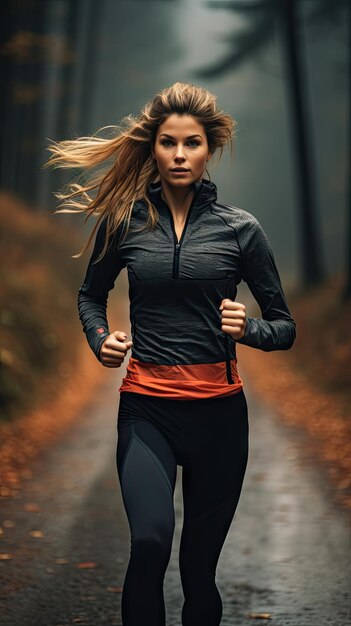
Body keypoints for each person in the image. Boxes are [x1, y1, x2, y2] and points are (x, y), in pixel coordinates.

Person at [46, 82, 296, 626]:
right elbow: (90, 295)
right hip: (146, 409)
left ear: (210, 149)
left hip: (219, 416)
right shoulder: (125, 220)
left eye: (192, 143)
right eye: (167, 143)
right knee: (151, 543)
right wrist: (99, 339)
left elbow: (285, 327)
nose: (179, 154)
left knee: (198, 571)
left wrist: (250, 327)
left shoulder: (241, 230)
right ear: (152, 148)